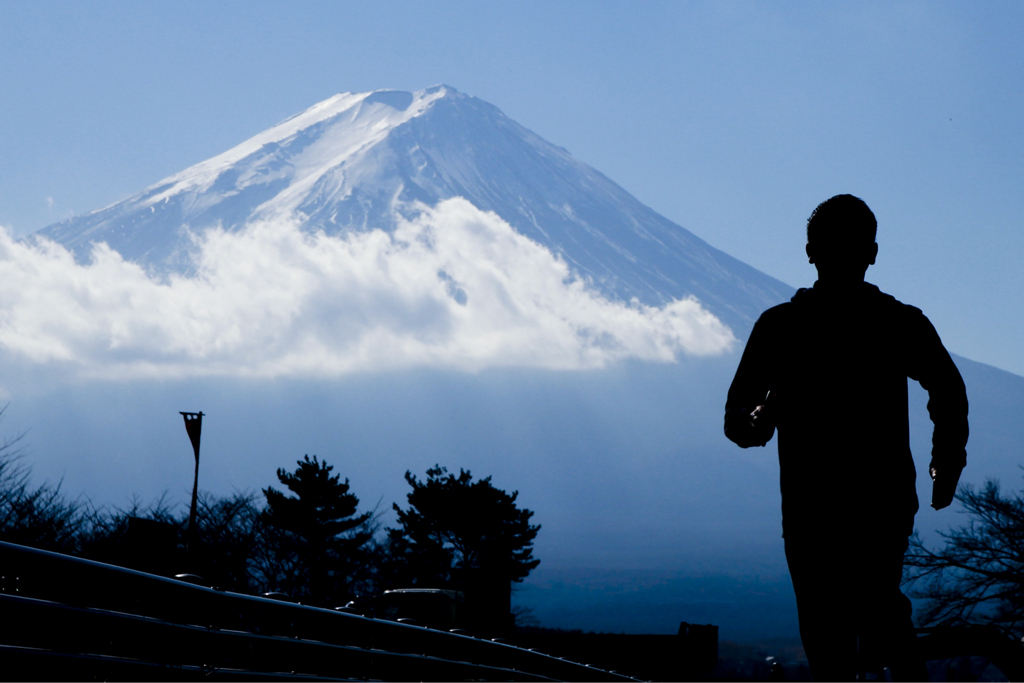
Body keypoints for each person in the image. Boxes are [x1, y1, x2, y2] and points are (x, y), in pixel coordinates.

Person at [724, 194, 968, 681]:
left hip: (818, 507)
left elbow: (739, 423)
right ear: (872, 252)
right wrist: (946, 464)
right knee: (876, 619)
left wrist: (764, 415)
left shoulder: (784, 326)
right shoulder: (895, 323)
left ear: (809, 251)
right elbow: (949, 390)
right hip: (871, 503)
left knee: (836, 632)